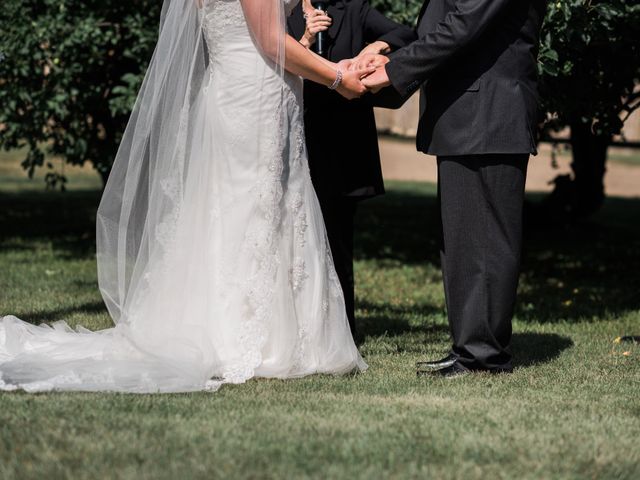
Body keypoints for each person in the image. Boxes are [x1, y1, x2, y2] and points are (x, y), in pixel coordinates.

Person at [0, 0, 373, 393]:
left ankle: (242, 328)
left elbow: (250, 35)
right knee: (254, 209)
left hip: (237, 87)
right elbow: (267, 40)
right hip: (257, 95)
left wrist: (310, 49)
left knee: (236, 208)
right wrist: (336, 77)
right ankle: (250, 338)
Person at [356, 0, 547, 377]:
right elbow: (446, 23)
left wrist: (393, 71)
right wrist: (392, 54)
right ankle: (470, 347)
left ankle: (484, 356)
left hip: (489, 112)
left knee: (487, 241)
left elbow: (465, 25)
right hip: (470, 113)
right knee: (464, 241)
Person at [287, 0, 415, 340]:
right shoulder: (278, 12)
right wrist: (303, 38)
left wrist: (375, 45)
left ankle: (341, 331)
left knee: (336, 239)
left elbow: (404, 33)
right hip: (292, 134)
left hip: (341, 143)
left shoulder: (353, 9)